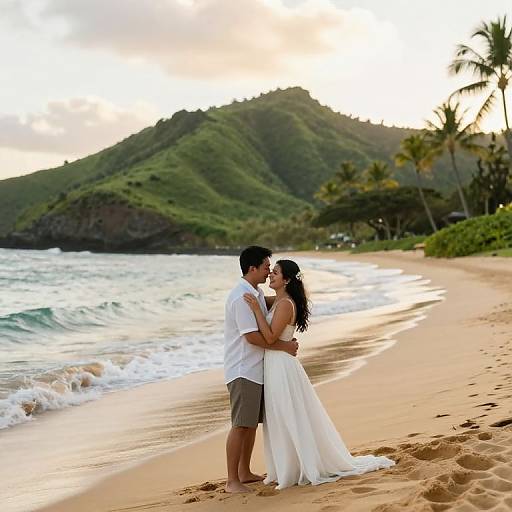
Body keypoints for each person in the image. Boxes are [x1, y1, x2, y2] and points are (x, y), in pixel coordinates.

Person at [243, 259, 395, 490]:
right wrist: (249, 294)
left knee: (287, 413)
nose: (271, 276)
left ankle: (299, 465)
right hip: (276, 364)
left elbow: (271, 337)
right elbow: (263, 302)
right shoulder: (281, 300)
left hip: (281, 365)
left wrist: (255, 310)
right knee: (281, 414)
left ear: (286, 279)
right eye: (270, 271)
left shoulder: (285, 304)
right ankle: (290, 464)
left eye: (275, 273)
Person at [224, 246, 299, 493]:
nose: (269, 272)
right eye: (267, 267)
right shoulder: (241, 297)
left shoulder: (253, 293)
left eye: (272, 269)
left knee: (251, 424)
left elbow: (278, 303)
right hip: (243, 368)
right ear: (252, 268)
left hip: (257, 369)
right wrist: (285, 346)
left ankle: (244, 472)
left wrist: (289, 294)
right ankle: (231, 480)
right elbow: (253, 338)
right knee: (240, 425)